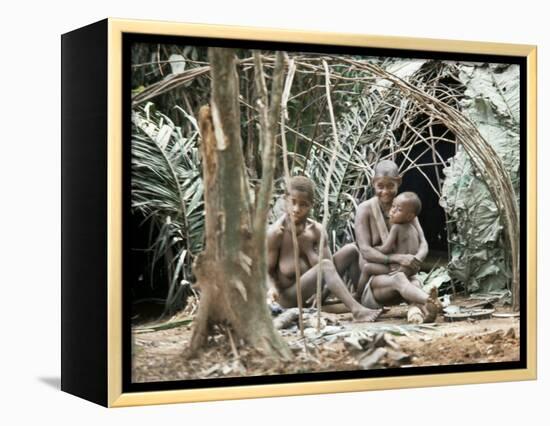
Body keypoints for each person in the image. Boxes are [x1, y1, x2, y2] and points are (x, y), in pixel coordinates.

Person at [267, 176, 381, 322]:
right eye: (292, 202)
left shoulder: (316, 231)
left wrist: (321, 295)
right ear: (285, 199)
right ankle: (358, 311)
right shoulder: (277, 233)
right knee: (324, 266)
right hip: (288, 297)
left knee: (351, 250)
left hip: (312, 292)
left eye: (303, 205)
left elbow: (331, 270)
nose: (296, 209)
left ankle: (361, 301)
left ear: (311, 205)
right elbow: (267, 272)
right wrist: (272, 289)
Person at [355, 160, 440, 322]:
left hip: (406, 275)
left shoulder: (405, 207)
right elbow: (365, 250)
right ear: (373, 183)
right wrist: (397, 258)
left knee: (412, 282)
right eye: (380, 186)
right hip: (377, 283)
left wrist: (416, 260)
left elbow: (423, 243)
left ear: (399, 181)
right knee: (399, 279)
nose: (385, 191)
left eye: (390, 186)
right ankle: (429, 300)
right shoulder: (365, 209)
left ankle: (424, 311)